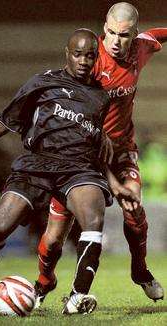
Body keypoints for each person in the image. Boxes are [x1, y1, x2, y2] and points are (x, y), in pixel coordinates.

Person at [0, 29, 138, 314]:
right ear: (67, 54)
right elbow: (7, 118)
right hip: (37, 164)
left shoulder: (100, 97)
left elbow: (98, 145)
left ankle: (78, 295)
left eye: (90, 55)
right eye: (78, 54)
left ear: (96, 57)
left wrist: (114, 182)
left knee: (94, 219)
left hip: (78, 168)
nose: (84, 61)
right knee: (0, 227)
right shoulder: (43, 82)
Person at [34, 2, 166, 312]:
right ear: (103, 27)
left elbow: (157, 34)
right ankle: (44, 280)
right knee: (54, 237)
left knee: (134, 209)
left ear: (134, 34)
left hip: (121, 152)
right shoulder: (89, 61)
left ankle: (140, 271)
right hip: (82, 154)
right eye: (110, 33)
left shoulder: (141, 48)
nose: (116, 41)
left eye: (124, 35)